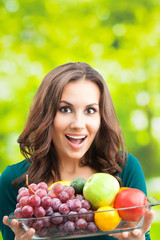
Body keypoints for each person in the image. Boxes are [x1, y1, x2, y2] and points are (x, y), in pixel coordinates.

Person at [0, 62, 154, 240]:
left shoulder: (125, 168)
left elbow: (140, 233)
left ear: (101, 117)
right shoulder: (13, 183)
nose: (78, 124)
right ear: (46, 114)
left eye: (90, 110)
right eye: (65, 109)